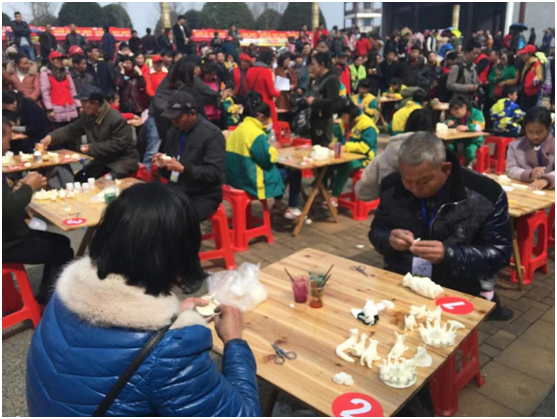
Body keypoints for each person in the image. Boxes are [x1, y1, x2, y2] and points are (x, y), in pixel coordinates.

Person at [25, 181, 261, 417]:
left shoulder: (62, 296)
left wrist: (174, 317)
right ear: (181, 255)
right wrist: (234, 342)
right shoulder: (170, 351)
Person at [369, 132, 514, 320]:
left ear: (446, 169)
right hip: (403, 278)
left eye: (424, 181)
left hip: (458, 285)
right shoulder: (392, 186)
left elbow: (500, 254)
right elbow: (376, 232)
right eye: (407, 180)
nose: (414, 188)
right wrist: (389, 240)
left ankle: (491, 303)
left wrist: (449, 254)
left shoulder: (486, 193)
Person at [3, 118, 74, 305]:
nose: (9, 146)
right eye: (7, 140)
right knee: (63, 252)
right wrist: (28, 187)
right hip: (8, 242)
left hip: (9, 235)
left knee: (62, 242)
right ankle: (54, 303)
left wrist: (17, 190)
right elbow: (7, 210)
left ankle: (45, 295)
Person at [226, 92, 302, 220]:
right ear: (261, 116)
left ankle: (278, 203)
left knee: (280, 170)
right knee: (294, 172)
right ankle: (293, 208)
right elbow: (266, 160)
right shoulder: (255, 133)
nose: (268, 123)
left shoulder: (239, 129)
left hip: (236, 178)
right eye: (267, 119)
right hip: (252, 181)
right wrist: (272, 149)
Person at [153, 91, 225, 221]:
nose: (174, 122)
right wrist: (163, 166)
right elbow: (169, 173)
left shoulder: (212, 135)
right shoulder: (173, 132)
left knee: (177, 219)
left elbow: (214, 173)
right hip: (177, 188)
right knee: (150, 211)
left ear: (192, 113)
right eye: (172, 118)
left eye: (178, 117)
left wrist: (184, 169)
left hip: (203, 194)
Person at [41, 86, 138, 179]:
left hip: (122, 160)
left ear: (95, 103)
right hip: (102, 160)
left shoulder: (115, 118)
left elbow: (119, 144)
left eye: (84, 102)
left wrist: (91, 148)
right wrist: (51, 137)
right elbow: (72, 129)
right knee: (80, 178)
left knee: (105, 182)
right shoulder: (87, 115)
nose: (82, 105)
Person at [356, 109, 434, 202]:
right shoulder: (436, 154)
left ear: (407, 124)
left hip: (390, 206)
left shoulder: (387, 152)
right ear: (433, 130)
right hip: (425, 207)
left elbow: (363, 192)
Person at [328, 102, 378, 207]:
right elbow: (338, 137)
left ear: (350, 115)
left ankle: (335, 196)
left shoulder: (367, 125)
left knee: (346, 165)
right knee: (325, 164)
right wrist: (333, 144)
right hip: (345, 154)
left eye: (343, 117)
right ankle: (323, 191)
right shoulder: (343, 122)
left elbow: (365, 147)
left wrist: (345, 147)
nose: (342, 119)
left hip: (364, 158)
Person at [506, 106, 555, 190]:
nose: (535, 136)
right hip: (524, 189)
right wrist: (529, 174)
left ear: (549, 128)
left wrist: (547, 179)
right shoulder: (515, 146)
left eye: (540, 132)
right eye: (530, 131)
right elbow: (510, 169)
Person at [306, 52, 340, 147]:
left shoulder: (332, 79)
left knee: (323, 147)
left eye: (314, 64)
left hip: (324, 120)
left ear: (322, 64)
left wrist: (314, 101)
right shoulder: (318, 79)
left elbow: (332, 101)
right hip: (314, 118)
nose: (312, 67)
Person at [40, 51, 81, 127]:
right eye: (58, 59)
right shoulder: (46, 74)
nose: (60, 61)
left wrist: (79, 105)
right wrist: (50, 109)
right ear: (52, 61)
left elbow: (72, 90)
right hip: (56, 110)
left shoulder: (66, 73)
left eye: (61, 59)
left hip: (70, 107)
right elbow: (45, 93)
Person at [445, 96, 485, 166]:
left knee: (469, 152)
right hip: (457, 140)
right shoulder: (455, 117)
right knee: (449, 148)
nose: (456, 116)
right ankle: (454, 166)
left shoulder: (477, 113)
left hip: (473, 140)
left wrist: (467, 127)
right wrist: (447, 123)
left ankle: (466, 167)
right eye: (454, 114)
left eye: (457, 113)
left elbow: (480, 127)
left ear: (464, 107)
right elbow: (447, 121)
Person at [246, 50, 280, 128]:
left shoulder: (249, 70)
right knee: (269, 127)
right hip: (266, 104)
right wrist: (279, 91)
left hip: (253, 103)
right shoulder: (266, 72)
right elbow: (272, 92)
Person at [516, 44, 544, 112]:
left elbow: (539, 76)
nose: (522, 56)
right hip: (523, 92)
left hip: (532, 94)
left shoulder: (536, 64)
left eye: (524, 54)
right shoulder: (524, 63)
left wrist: (536, 79)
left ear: (530, 54)